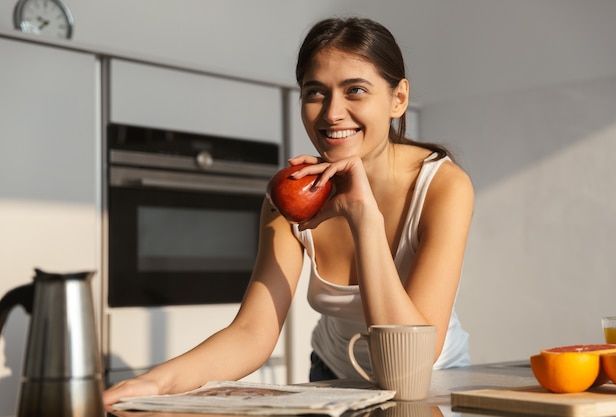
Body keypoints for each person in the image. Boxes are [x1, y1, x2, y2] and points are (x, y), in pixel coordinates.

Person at [103, 16, 473, 405]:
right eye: (315, 93)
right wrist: (156, 385)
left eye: (356, 90)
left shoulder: (443, 187)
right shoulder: (291, 194)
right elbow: (252, 333)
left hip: (431, 384)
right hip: (334, 380)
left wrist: (365, 220)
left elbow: (407, 366)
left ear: (398, 99)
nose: (332, 113)